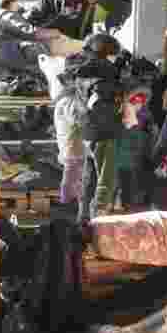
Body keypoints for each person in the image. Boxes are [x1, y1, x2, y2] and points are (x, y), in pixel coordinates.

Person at [58, 33, 126, 221]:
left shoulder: (83, 71)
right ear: (106, 53)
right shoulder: (105, 77)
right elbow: (102, 106)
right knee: (105, 180)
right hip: (104, 134)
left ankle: (83, 218)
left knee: (89, 178)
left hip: (87, 131)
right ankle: (98, 223)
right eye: (114, 54)